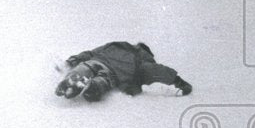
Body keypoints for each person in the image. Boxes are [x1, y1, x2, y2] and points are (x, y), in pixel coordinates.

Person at [55, 41, 193, 101]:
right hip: (114, 74)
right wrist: (178, 81)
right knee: (105, 79)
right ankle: (94, 87)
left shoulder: (113, 45)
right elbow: (155, 70)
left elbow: (90, 53)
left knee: (86, 67)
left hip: (96, 61)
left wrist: (72, 61)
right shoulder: (141, 61)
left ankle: (72, 79)